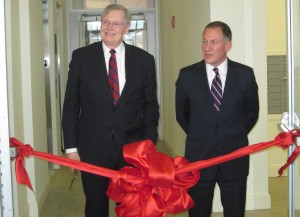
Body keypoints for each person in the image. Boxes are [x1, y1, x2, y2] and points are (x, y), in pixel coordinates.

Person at [62, 3, 159, 217]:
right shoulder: (81, 58)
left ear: (127, 27)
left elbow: (150, 105)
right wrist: (71, 148)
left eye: (116, 23)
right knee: (95, 205)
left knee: (130, 206)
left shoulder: (144, 60)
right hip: (92, 148)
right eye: (106, 22)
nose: (109, 27)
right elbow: (71, 104)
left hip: (131, 151)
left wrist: (149, 141)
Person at [175, 21, 259, 217]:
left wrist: (232, 135)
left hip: (234, 156)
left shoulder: (245, 75)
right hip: (199, 157)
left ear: (227, 45)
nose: (207, 47)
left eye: (214, 42)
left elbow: (251, 113)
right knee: (198, 211)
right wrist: (202, 135)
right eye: (204, 41)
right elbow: (182, 115)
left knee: (235, 210)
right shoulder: (187, 76)